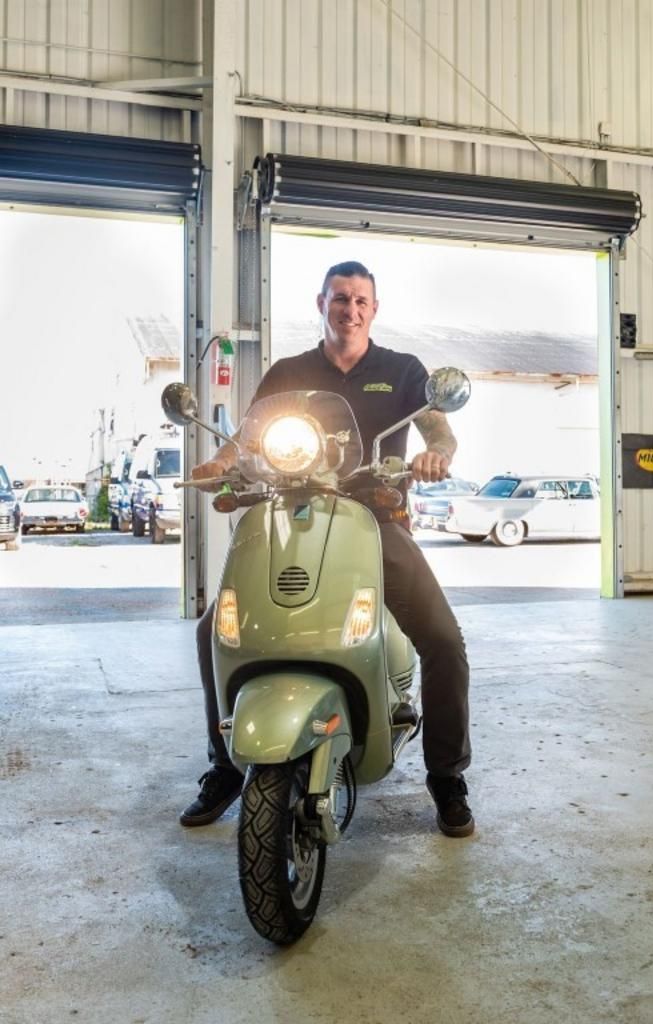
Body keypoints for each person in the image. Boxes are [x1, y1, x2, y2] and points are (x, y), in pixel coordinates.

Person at [180, 261, 474, 838]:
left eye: (361, 299)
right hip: (291, 514)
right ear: (322, 303)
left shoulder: (403, 370)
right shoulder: (289, 371)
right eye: (340, 298)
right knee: (213, 629)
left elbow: (440, 428)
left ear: (374, 308)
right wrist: (220, 462)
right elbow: (248, 437)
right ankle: (223, 765)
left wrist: (436, 452)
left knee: (444, 642)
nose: (351, 308)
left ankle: (446, 776)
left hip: (374, 518)